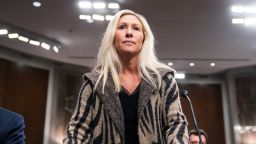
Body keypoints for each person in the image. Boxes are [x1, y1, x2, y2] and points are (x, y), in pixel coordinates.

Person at [63, 9, 188, 143]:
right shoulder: (94, 83)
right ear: (112, 37)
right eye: (122, 27)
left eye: (136, 28)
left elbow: (176, 123)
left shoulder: (163, 80)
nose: (129, 33)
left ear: (144, 39)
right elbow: (77, 130)